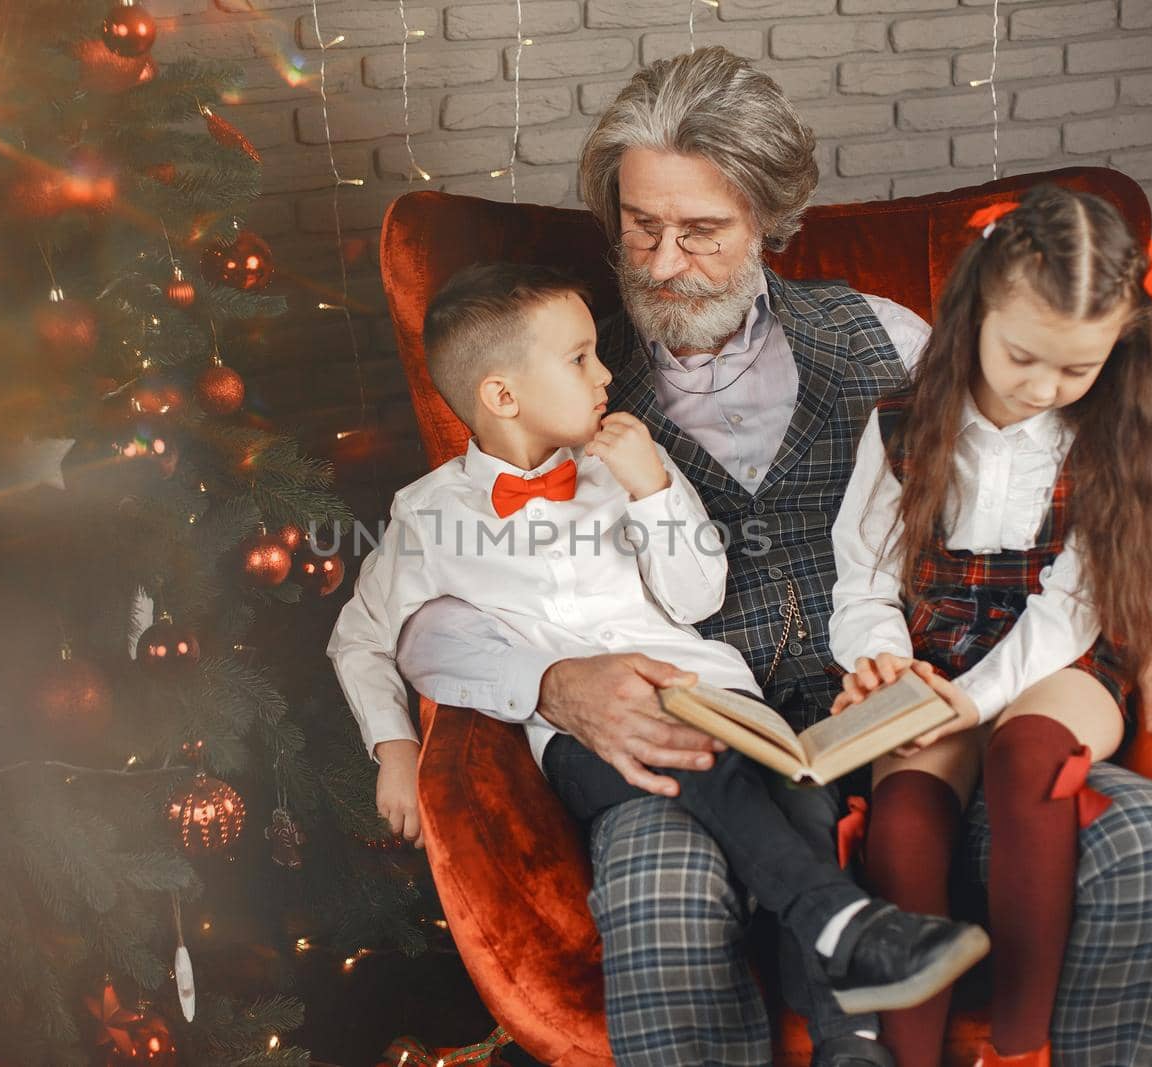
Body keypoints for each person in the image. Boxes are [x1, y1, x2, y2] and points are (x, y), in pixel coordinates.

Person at [394, 47, 1152, 1067]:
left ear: (768, 219)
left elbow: (1041, 490)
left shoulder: (886, 341)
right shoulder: (552, 382)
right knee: (655, 887)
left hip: (915, 724)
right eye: (641, 227)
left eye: (704, 232)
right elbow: (442, 582)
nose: (665, 262)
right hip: (693, 757)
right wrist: (550, 678)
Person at [328, 261, 989, 1030]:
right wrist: (395, 749)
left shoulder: (627, 462)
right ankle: (843, 921)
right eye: (579, 359)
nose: (607, 371)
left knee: (803, 800)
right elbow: (359, 638)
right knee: (700, 762)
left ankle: (851, 1041)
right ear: (502, 395)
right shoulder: (427, 513)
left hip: (715, 692)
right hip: (587, 738)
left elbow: (696, 594)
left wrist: (652, 490)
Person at [828, 184, 1152, 1067]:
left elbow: (1075, 604)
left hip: (1067, 653)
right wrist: (881, 661)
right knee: (906, 817)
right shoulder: (902, 426)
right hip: (938, 652)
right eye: (1022, 356)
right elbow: (865, 575)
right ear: (975, 316)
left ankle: (1020, 1048)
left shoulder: (1108, 435)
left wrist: (978, 699)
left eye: (1077, 367)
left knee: (1030, 756)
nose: (1042, 388)